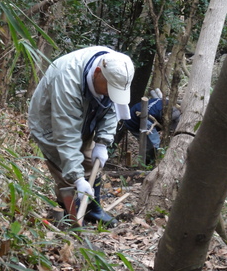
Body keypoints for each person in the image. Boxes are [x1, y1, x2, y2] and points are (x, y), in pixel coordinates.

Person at [28, 46, 134, 227]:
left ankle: (92, 209)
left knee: (91, 163)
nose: (110, 92)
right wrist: (77, 179)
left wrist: (102, 141)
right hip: (52, 125)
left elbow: (113, 107)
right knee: (67, 171)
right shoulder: (67, 79)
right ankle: (72, 218)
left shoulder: (118, 68)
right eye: (109, 88)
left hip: (87, 118)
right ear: (98, 72)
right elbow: (66, 135)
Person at [124, 92, 180, 164]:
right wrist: (163, 153)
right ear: (163, 118)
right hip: (134, 124)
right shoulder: (150, 118)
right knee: (151, 146)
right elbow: (156, 143)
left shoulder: (167, 103)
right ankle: (146, 163)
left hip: (147, 117)